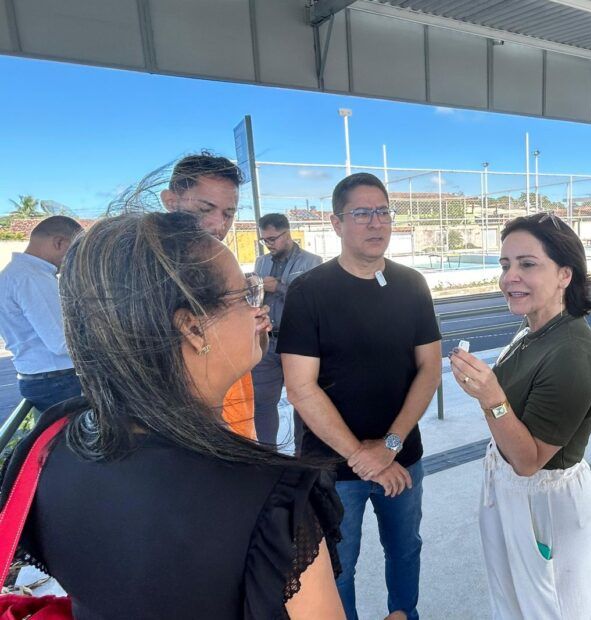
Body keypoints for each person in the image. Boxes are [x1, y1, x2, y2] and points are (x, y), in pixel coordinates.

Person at [0, 212, 345, 618]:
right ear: (193, 328)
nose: (259, 311)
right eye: (245, 294)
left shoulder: (51, 442)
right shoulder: (272, 500)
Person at [278, 173, 441, 620]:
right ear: (336, 223)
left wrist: (389, 447)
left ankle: (403, 614)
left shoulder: (412, 285)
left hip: (402, 456)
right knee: (337, 569)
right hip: (332, 467)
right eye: (362, 213)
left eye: (384, 211)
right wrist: (360, 456)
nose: (376, 223)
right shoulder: (309, 293)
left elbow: (429, 368)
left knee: (406, 550)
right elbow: (300, 386)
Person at [449, 212, 591, 619]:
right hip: (513, 493)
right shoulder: (531, 328)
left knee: (551, 610)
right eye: (505, 264)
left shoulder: (573, 353)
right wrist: (488, 394)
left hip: (546, 504)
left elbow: (528, 460)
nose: (509, 277)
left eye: (527, 264)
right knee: (515, 606)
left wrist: (491, 398)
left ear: (565, 276)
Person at [160, 151, 269, 439]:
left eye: (228, 214)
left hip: (240, 424)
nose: (218, 225)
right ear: (170, 201)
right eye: (204, 209)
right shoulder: (153, 277)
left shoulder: (222, 262)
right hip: (198, 441)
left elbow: (251, 353)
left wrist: (255, 329)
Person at [0, 216, 83, 413]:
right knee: (74, 441)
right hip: (58, 381)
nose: (76, 259)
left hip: (45, 379)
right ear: (59, 243)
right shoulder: (32, 277)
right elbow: (62, 342)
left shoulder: (15, 274)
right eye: (76, 250)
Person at [252, 213, 322, 445]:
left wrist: (280, 287)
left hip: (297, 343)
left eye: (273, 239)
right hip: (266, 341)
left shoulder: (312, 262)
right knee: (262, 404)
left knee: (303, 401)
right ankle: (266, 458)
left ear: (288, 233)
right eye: (265, 240)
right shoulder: (261, 263)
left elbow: (313, 299)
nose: (269, 244)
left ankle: (302, 458)